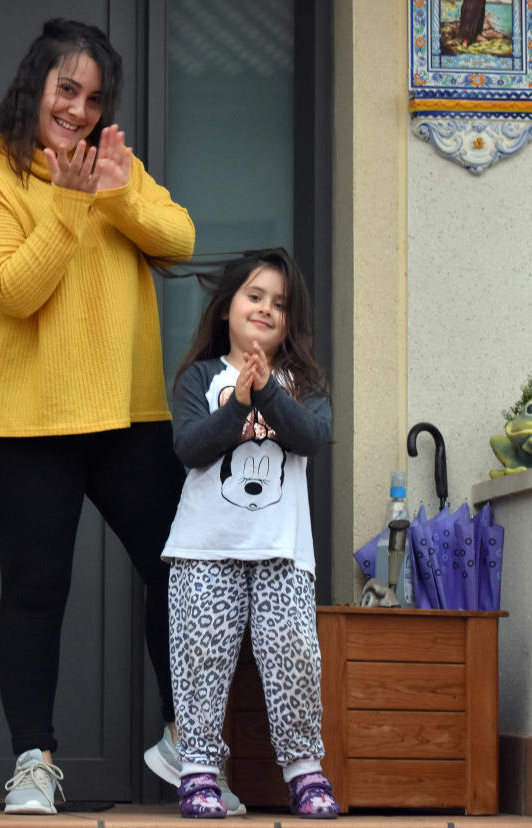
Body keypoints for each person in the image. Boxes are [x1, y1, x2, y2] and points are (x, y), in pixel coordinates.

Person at [0, 18, 205, 816]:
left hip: (124, 410)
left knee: (180, 570)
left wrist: (116, 192)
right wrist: (67, 202)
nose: (79, 109)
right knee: (36, 586)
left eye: (93, 97)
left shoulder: (110, 168)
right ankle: (33, 763)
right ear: (36, 85)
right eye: (67, 90)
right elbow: (15, 292)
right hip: (23, 410)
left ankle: (185, 746)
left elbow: (179, 239)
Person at [160, 249, 339, 819]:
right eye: (254, 296)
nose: (265, 309)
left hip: (282, 552)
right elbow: (190, 449)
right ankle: (198, 772)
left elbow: (311, 437)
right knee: (201, 657)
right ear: (227, 308)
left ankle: (305, 773)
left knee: (293, 657)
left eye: (279, 304)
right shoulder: (200, 377)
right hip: (204, 547)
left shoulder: (303, 380)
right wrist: (237, 399)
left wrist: (264, 392)